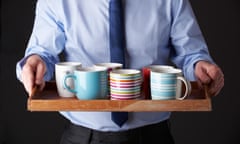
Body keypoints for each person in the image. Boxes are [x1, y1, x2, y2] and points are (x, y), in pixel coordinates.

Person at [16, 0, 224, 144]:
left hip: (154, 136)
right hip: (82, 138)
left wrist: (200, 66)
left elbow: (192, 55)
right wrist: (35, 63)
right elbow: (43, 53)